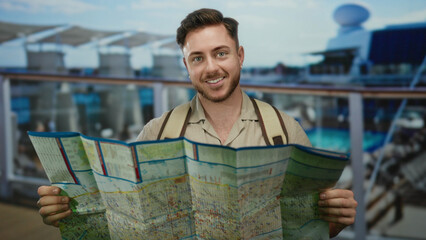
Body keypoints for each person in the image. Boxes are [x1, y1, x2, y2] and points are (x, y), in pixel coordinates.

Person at [37, 8, 357, 238]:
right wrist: (69, 214)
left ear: (240, 55)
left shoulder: (287, 132)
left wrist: (335, 220)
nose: (211, 68)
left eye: (221, 53)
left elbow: (310, 230)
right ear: (186, 65)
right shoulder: (154, 133)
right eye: (197, 58)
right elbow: (125, 222)